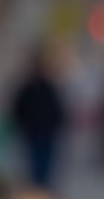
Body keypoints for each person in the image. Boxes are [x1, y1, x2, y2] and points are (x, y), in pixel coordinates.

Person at [8, 54, 68, 189]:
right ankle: (41, 186)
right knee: (42, 160)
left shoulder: (30, 88)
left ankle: (38, 185)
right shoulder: (46, 88)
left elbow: (18, 109)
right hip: (42, 132)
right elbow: (58, 110)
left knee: (38, 160)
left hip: (37, 132)